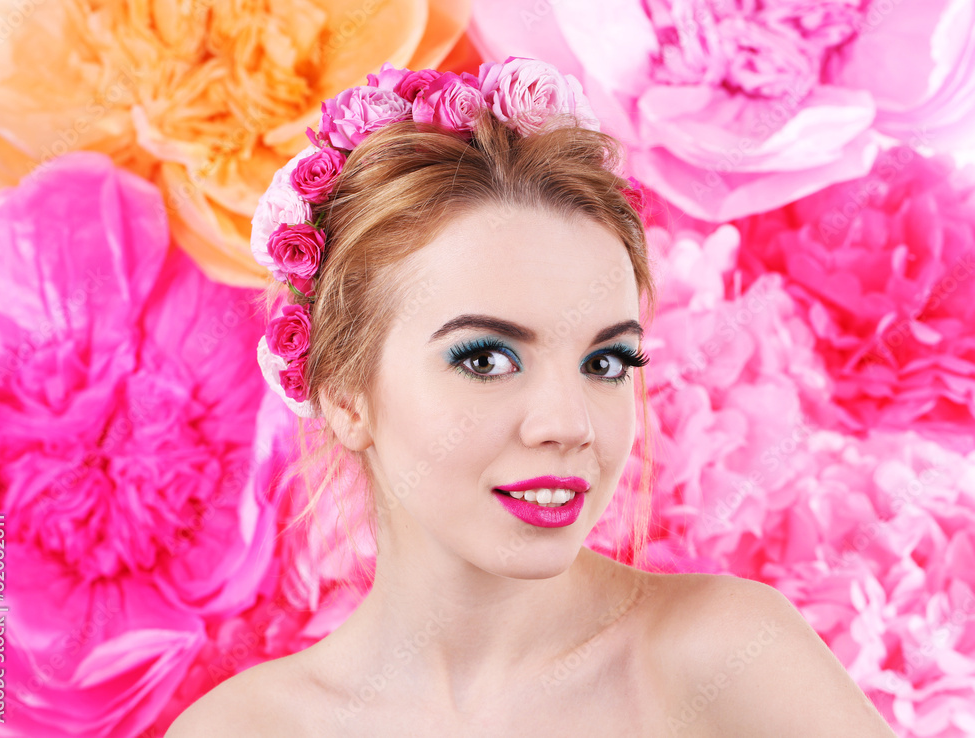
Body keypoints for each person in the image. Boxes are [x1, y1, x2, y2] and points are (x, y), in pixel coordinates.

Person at [167, 57, 899, 737]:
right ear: (344, 394)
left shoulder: (724, 659)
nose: (568, 424)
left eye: (606, 362)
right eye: (486, 358)